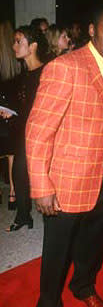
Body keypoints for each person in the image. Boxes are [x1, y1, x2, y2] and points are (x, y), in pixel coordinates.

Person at [25, 5, 103, 307]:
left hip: (102, 181)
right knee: (56, 255)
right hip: (65, 183)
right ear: (92, 31)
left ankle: (83, 287)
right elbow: (37, 132)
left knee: (92, 247)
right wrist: (41, 186)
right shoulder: (65, 67)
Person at [5, 25, 48, 232]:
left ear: (32, 46)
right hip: (25, 131)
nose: (14, 46)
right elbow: (24, 108)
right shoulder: (23, 76)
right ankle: (23, 216)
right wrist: (10, 112)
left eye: (18, 41)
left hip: (44, 133)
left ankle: (52, 217)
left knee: (42, 175)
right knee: (19, 171)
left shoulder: (47, 72)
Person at [0, 20, 21, 209]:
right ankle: (13, 193)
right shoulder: (15, 60)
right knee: (11, 154)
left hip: (5, 115)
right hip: (10, 115)